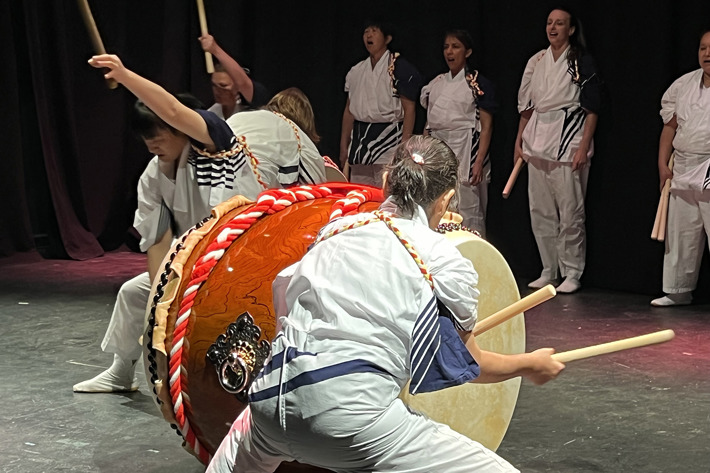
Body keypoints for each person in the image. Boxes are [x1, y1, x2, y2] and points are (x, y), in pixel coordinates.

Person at [206, 135, 565, 473]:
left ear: (386, 182)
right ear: (446, 200)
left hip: (267, 404)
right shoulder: (443, 259)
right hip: (349, 420)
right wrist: (529, 365)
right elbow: (474, 365)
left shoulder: (334, 230)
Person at [74, 54, 264, 393]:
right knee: (135, 293)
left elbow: (174, 111)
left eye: (159, 133)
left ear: (182, 128)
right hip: (192, 266)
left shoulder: (216, 142)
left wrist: (125, 74)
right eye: (147, 137)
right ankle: (122, 370)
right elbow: (158, 240)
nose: (152, 143)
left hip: (241, 261)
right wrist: (160, 301)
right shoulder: (153, 175)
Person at [514, 7, 602, 294]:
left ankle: (572, 271)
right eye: (550, 22)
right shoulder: (536, 60)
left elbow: (592, 108)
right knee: (540, 210)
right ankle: (549, 269)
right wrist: (519, 141)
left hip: (568, 137)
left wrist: (583, 145)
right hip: (537, 138)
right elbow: (526, 107)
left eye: (560, 23)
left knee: (570, 212)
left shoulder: (580, 61)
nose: (553, 27)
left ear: (571, 29)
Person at [651, 29, 710, 307]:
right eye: (702, 48)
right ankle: (678, 290)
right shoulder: (684, 84)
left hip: (709, 163)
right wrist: (663, 163)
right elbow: (670, 126)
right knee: (680, 230)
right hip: (684, 162)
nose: (707, 53)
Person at [421, 29, 497, 237]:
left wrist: (479, 160)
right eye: (446, 47)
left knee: (470, 210)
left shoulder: (476, 83)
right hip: (439, 149)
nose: (449, 52)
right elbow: (429, 124)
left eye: (455, 47)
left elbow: (486, 125)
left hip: (466, 148)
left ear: (468, 52)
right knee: (438, 207)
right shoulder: (436, 83)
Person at [339, 19, 423, 186]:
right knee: (360, 194)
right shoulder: (356, 71)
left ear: (387, 38)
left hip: (389, 139)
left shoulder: (399, 67)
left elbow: (409, 109)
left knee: (385, 195)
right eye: (366, 31)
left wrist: (404, 147)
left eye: (374, 31)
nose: (369, 35)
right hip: (360, 141)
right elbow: (349, 111)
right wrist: (343, 144)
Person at [199, 34, 271, 119]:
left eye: (223, 85)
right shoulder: (212, 112)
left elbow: (243, 83)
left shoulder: (250, 106)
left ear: (237, 87)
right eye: (214, 85)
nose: (217, 91)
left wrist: (215, 49)